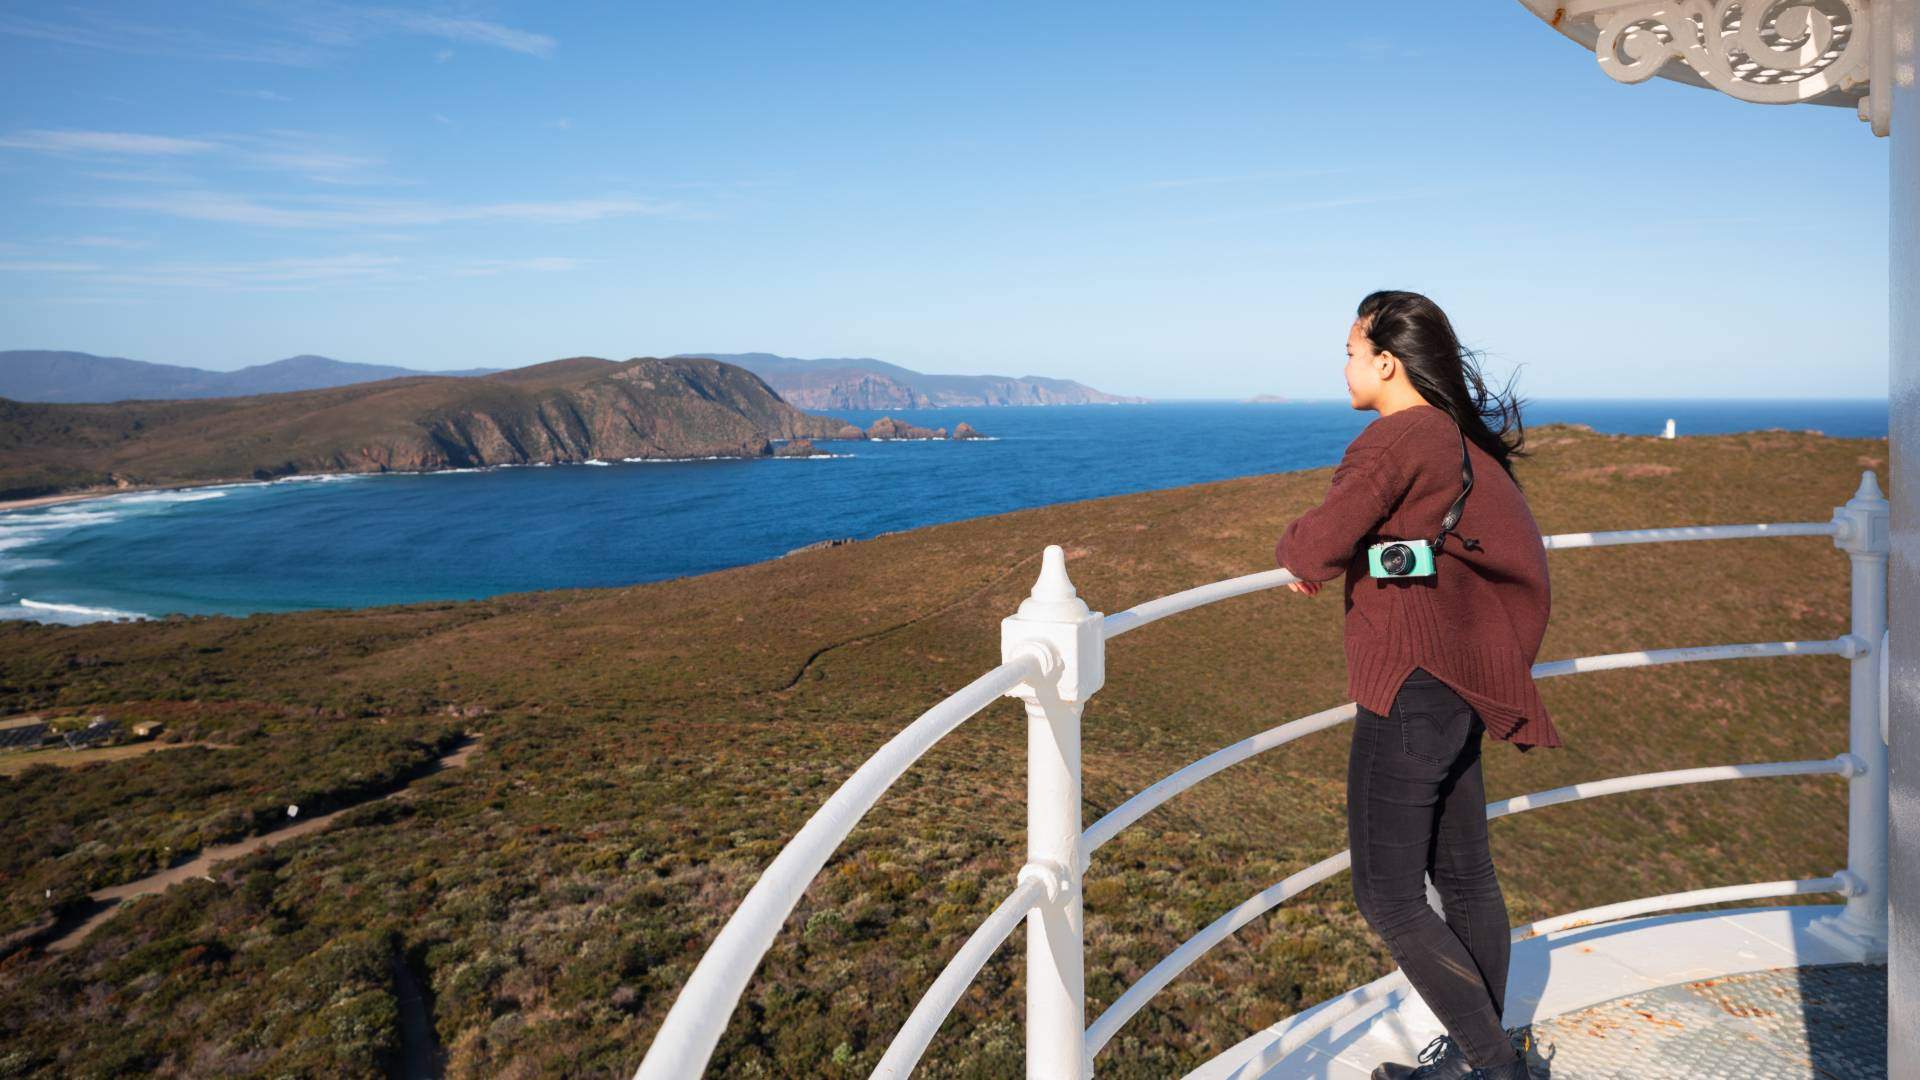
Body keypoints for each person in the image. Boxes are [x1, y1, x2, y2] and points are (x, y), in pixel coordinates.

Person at [1273, 290, 1558, 1080]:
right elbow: (1423, 545)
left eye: (1352, 351)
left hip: (1409, 687)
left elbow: (1313, 545)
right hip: (1461, 675)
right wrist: (1365, 552)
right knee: (1464, 874)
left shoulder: (1395, 439)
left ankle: (1496, 1068)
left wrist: (1300, 549)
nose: (1346, 365)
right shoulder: (1456, 439)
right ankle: (1479, 1061)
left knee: (1387, 895)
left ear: (1386, 361)